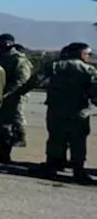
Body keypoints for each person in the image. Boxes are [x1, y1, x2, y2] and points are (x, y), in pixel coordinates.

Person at [13, 42, 96, 184]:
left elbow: (35, 80)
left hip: (56, 110)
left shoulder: (54, 65)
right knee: (78, 142)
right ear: (79, 53)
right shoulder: (89, 70)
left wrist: (18, 93)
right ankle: (78, 171)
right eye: (87, 54)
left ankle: (52, 167)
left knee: (56, 139)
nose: (89, 56)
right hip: (79, 112)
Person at [0, 33, 34, 149]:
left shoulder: (18, 59)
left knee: (17, 115)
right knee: (4, 118)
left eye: (5, 42)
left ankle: (20, 137)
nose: (3, 44)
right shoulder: (1, 57)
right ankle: (6, 140)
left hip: (17, 92)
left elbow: (22, 79)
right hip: (3, 91)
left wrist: (11, 92)